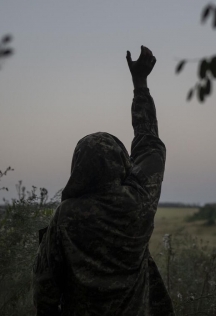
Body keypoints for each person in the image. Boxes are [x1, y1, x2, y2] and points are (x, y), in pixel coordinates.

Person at [33, 46, 175, 315]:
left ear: (78, 169)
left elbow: (45, 287)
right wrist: (140, 84)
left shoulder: (66, 217)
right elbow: (149, 145)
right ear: (122, 163)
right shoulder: (139, 202)